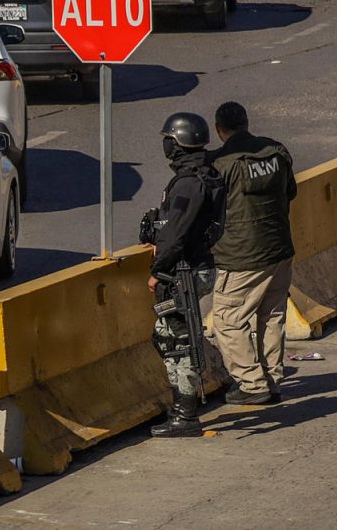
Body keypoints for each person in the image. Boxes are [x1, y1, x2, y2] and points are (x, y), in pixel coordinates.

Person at [208, 101, 297, 406]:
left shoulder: (222, 163)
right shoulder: (276, 151)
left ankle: (251, 383)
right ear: (246, 123)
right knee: (271, 316)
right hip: (280, 248)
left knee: (228, 320)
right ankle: (271, 381)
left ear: (219, 130)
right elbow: (290, 193)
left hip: (242, 255)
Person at [143, 111, 226, 438]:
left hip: (183, 272)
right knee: (171, 337)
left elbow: (176, 234)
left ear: (177, 143)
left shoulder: (189, 183)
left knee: (177, 341)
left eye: (168, 140)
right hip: (195, 266)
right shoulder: (205, 175)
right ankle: (183, 407)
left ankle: (185, 414)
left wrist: (157, 270)